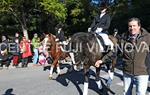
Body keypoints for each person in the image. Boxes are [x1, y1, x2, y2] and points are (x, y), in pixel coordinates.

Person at [95, 17, 150, 95]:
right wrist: (102, 60)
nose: (132, 28)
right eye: (130, 26)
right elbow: (114, 51)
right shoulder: (123, 38)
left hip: (142, 72)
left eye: (134, 26)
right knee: (127, 93)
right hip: (127, 71)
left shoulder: (148, 37)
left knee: (140, 93)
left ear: (139, 26)